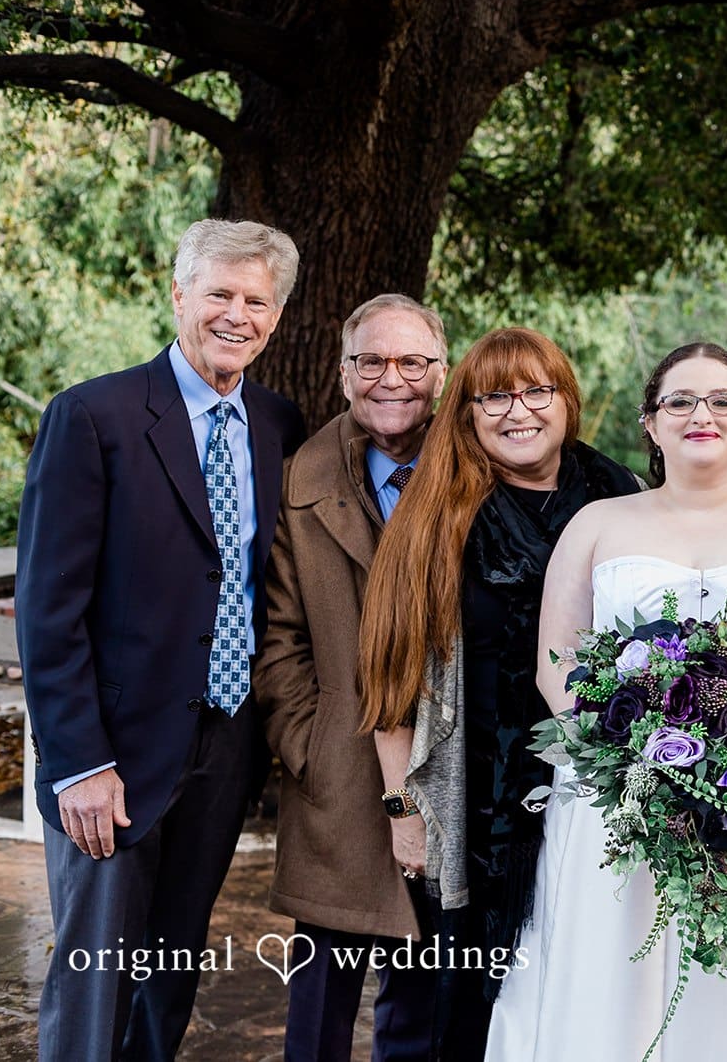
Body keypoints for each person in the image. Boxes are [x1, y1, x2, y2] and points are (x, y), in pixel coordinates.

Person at [494, 342, 727, 1060]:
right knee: (610, 967)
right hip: (614, 796)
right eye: (680, 401)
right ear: (650, 424)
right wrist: (635, 765)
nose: (703, 415)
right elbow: (556, 667)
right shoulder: (596, 525)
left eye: (724, 400)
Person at [16, 218, 305, 1059]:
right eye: (219, 293)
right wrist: (78, 761)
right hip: (114, 754)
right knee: (95, 976)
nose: (236, 314)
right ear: (179, 295)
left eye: (256, 300)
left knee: (170, 971)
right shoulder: (93, 416)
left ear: (276, 316)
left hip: (225, 743)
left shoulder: (279, 426)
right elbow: (48, 608)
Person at [357, 327, 639, 1058]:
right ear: (468, 409)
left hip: (596, 794)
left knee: (586, 989)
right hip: (479, 805)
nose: (520, 411)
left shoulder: (622, 496)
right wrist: (403, 810)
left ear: (566, 400)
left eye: (537, 390)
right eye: (495, 395)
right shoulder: (436, 513)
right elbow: (391, 676)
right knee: (478, 1001)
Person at [255, 294, 448, 1061]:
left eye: (411, 361)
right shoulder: (304, 472)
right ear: (342, 374)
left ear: (441, 373)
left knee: (428, 989)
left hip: (449, 770)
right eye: (371, 360)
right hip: (337, 769)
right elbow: (279, 637)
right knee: (320, 1003)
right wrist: (311, 742)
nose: (390, 378)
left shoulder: (476, 464)